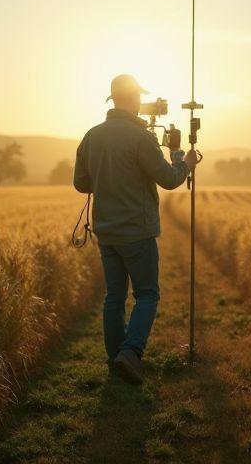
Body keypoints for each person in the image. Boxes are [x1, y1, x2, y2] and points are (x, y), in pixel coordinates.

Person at [73, 74, 200, 384]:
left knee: (114, 297)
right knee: (147, 295)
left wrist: (108, 179)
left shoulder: (92, 136)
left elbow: (80, 183)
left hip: (106, 231)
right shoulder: (140, 137)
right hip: (137, 231)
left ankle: (115, 358)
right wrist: (186, 163)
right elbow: (170, 179)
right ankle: (130, 354)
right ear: (133, 100)